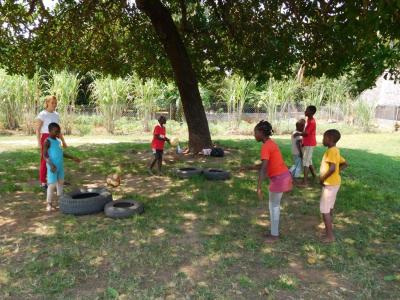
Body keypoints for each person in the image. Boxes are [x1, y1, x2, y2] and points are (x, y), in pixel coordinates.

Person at [254, 120, 293, 243]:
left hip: (279, 178)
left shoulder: (266, 146)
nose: (254, 135)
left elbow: (264, 168)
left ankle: (274, 236)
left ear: (261, 133)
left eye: (255, 133)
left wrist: (259, 187)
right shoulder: (270, 143)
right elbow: (267, 163)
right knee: (273, 206)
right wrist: (249, 167)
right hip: (282, 176)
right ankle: (273, 232)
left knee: (274, 206)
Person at [319, 129, 348, 243]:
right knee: (330, 207)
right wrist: (337, 172)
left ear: (330, 139)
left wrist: (322, 178)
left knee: (324, 210)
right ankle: (329, 225)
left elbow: (331, 168)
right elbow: (345, 163)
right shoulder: (336, 150)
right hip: (335, 183)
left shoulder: (331, 151)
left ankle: (330, 236)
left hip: (329, 185)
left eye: (324, 137)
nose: (322, 139)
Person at [43, 123, 80, 211]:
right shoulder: (47, 141)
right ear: (49, 131)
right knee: (51, 185)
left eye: (58, 131)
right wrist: (51, 165)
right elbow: (44, 155)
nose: (57, 133)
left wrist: (72, 158)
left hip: (59, 167)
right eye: (56, 131)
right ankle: (49, 203)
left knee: (60, 183)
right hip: (52, 167)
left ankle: (61, 201)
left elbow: (61, 153)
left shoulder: (58, 141)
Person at [35, 96, 67, 190]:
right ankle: (43, 181)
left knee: (56, 158)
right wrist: (38, 142)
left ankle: (56, 179)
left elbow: (58, 130)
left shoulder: (56, 114)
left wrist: (63, 141)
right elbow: (37, 129)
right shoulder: (42, 114)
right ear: (47, 103)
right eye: (52, 102)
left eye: (55, 103)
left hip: (55, 139)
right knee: (45, 159)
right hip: (46, 138)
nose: (54, 104)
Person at [298, 105, 317, 185]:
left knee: (305, 162)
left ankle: (305, 182)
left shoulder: (312, 122)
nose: (305, 111)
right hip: (307, 143)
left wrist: (297, 133)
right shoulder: (308, 120)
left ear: (311, 112)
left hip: (310, 144)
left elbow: (306, 133)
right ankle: (315, 176)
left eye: (307, 110)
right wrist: (303, 142)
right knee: (309, 161)